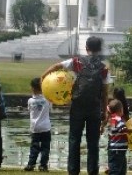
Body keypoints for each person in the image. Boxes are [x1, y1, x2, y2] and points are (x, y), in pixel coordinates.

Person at [42, 36, 109, 175]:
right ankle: (92, 171)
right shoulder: (104, 68)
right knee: (93, 143)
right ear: (99, 49)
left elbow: (57, 66)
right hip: (94, 108)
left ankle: (73, 171)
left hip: (78, 106)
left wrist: (44, 77)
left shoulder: (77, 62)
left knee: (74, 139)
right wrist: (104, 112)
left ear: (86, 48)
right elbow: (105, 93)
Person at [106, 99, 132, 175]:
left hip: (116, 149)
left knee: (120, 168)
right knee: (116, 170)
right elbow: (123, 130)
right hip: (117, 150)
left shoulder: (112, 119)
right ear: (120, 110)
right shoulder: (118, 119)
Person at [24, 78, 52, 172]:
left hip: (35, 128)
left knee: (34, 147)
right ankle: (43, 165)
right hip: (46, 127)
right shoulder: (48, 99)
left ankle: (31, 164)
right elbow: (50, 109)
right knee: (45, 148)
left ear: (33, 88)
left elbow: (30, 110)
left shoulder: (30, 101)